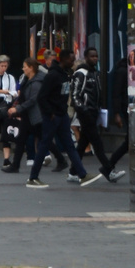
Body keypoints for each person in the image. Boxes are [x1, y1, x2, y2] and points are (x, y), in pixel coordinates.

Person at [27, 51, 98, 188]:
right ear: (64, 60)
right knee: (44, 145)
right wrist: (50, 112)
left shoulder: (63, 74)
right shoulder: (53, 76)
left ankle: (82, 174)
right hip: (54, 116)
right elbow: (42, 97)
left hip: (62, 115)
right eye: (71, 60)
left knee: (70, 146)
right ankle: (33, 177)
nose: (73, 63)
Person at [71, 49, 113, 176]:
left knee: (83, 144)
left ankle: (73, 172)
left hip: (93, 112)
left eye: (96, 56)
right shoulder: (81, 73)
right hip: (86, 113)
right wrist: (83, 110)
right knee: (97, 143)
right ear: (86, 57)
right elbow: (75, 96)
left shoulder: (95, 74)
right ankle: (108, 169)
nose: (95, 58)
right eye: (92, 56)